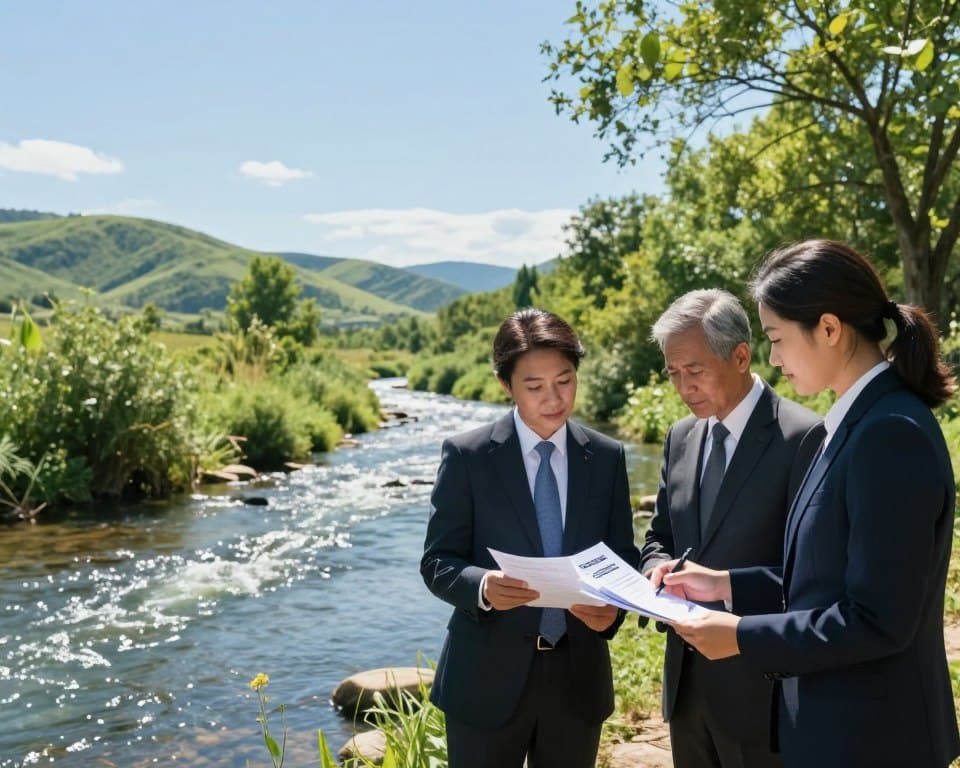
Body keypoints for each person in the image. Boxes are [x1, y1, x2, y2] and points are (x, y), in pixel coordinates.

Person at [657, 239, 960, 768]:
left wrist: (742, 636)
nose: (772, 358)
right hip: (834, 728)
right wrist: (727, 585)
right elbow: (825, 578)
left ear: (829, 328)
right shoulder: (849, 426)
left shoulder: (890, 433)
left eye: (776, 338)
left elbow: (877, 618)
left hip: (874, 737)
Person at [420, 308, 639, 768]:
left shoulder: (605, 456)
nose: (554, 399)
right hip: (484, 679)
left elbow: (622, 555)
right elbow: (438, 561)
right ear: (506, 386)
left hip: (577, 678)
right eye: (535, 387)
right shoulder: (467, 455)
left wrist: (613, 611)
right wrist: (481, 587)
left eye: (564, 381)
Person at [640, 289, 821, 768]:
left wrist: (728, 591)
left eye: (694, 371)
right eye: (673, 374)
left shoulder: (805, 437)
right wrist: (656, 569)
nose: (683, 387)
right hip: (686, 691)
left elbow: (815, 579)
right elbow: (659, 536)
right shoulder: (679, 436)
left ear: (741, 356)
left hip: (765, 693)